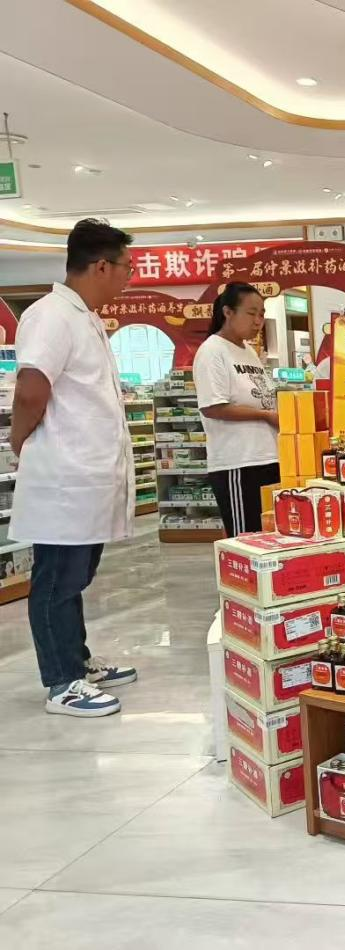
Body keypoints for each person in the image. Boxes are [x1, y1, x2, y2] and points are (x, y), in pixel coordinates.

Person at [11, 218, 138, 718]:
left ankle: (77, 661)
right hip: (64, 475)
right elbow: (31, 389)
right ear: (101, 266)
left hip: (87, 475)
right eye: (126, 267)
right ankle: (61, 682)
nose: (128, 277)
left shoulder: (84, 317)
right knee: (57, 580)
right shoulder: (50, 316)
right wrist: (20, 439)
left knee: (77, 576)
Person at [193, 282, 280, 539]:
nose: (258, 321)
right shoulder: (213, 350)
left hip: (267, 457)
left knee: (268, 537)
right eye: (251, 313)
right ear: (228, 312)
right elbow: (213, 407)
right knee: (246, 538)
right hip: (238, 463)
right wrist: (265, 415)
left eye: (262, 314)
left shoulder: (248, 351)